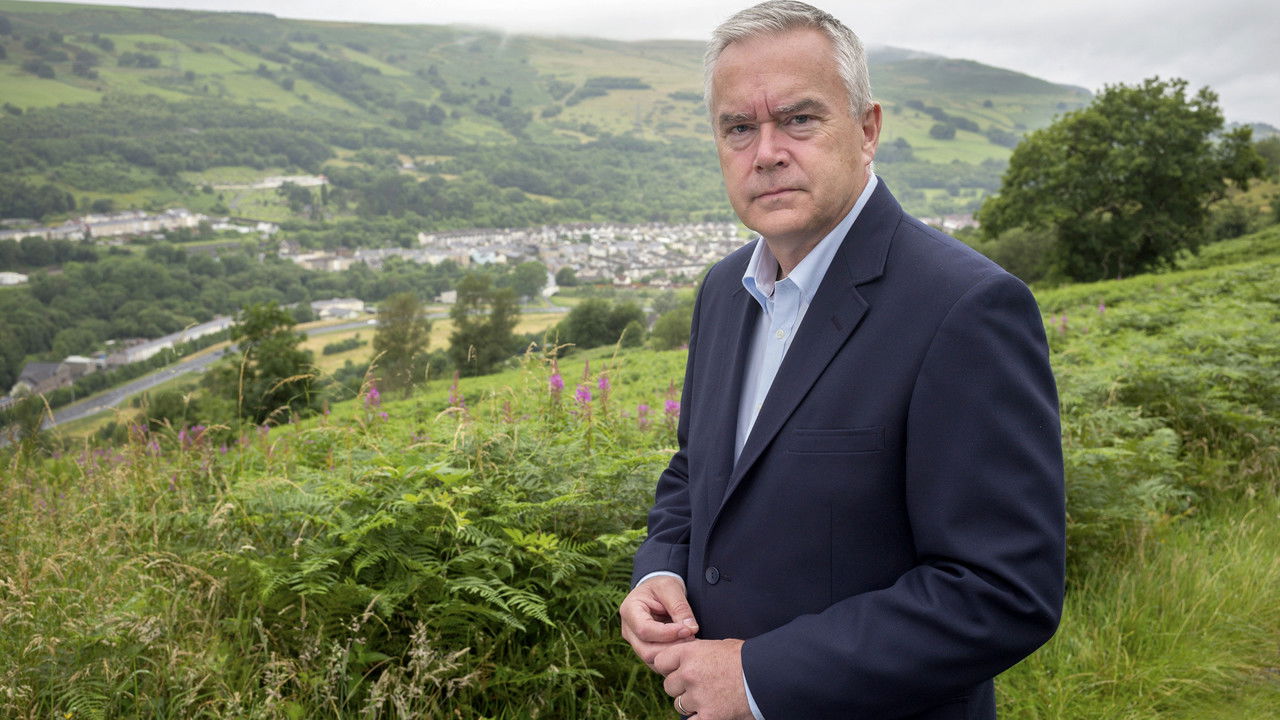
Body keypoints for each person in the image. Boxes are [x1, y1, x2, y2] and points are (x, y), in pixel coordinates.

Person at [617, 2, 1066, 719]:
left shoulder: (967, 309)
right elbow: (695, 471)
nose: (765, 152)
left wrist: (758, 677)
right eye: (738, 127)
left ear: (867, 130)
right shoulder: (722, 292)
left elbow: (1004, 591)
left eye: (798, 119)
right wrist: (660, 570)